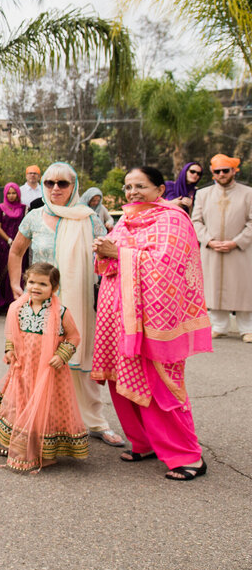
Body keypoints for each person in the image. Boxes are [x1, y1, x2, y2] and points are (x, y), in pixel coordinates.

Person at [92, 166, 211, 481]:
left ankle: (187, 456)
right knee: (121, 382)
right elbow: (108, 265)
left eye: (140, 186)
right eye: (128, 186)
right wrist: (105, 253)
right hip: (118, 319)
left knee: (159, 387)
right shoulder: (127, 218)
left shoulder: (172, 220)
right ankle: (143, 442)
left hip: (153, 321)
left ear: (160, 189)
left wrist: (117, 252)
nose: (132, 193)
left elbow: (167, 267)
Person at [6, 163, 124, 447]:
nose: (55, 189)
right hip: (40, 300)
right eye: (49, 183)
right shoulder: (34, 217)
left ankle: (94, 422)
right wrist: (15, 286)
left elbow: (106, 254)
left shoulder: (89, 218)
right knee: (37, 360)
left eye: (62, 183)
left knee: (80, 357)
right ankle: (41, 418)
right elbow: (17, 251)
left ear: (74, 186)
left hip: (80, 300)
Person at [0, 263, 89, 473]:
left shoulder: (60, 312)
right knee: (21, 404)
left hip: (50, 373)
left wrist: (62, 355)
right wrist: (9, 351)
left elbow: (74, 336)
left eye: (43, 283)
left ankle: (45, 452)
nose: (35, 287)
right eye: (31, 282)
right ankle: (24, 445)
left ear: (54, 288)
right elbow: (12, 334)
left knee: (46, 409)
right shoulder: (18, 308)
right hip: (24, 369)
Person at [191, 154, 252, 342]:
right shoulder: (202, 194)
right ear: (212, 173)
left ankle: (247, 328)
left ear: (234, 170)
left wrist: (237, 242)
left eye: (226, 170)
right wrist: (208, 241)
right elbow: (196, 221)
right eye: (218, 171)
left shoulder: (248, 193)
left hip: (240, 250)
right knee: (213, 287)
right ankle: (219, 326)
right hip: (212, 249)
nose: (222, 174)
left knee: (243, 288)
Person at [0, 182, 27, 316]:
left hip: (20, 245)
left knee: (19, 273)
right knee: (5, 274)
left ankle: (18, 302)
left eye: (14, 193)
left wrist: (18, 241)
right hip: (4, 245)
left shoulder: (24, 208)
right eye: (9, 193)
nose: (11, 196)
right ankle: (4, 304)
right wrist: (8, 239)